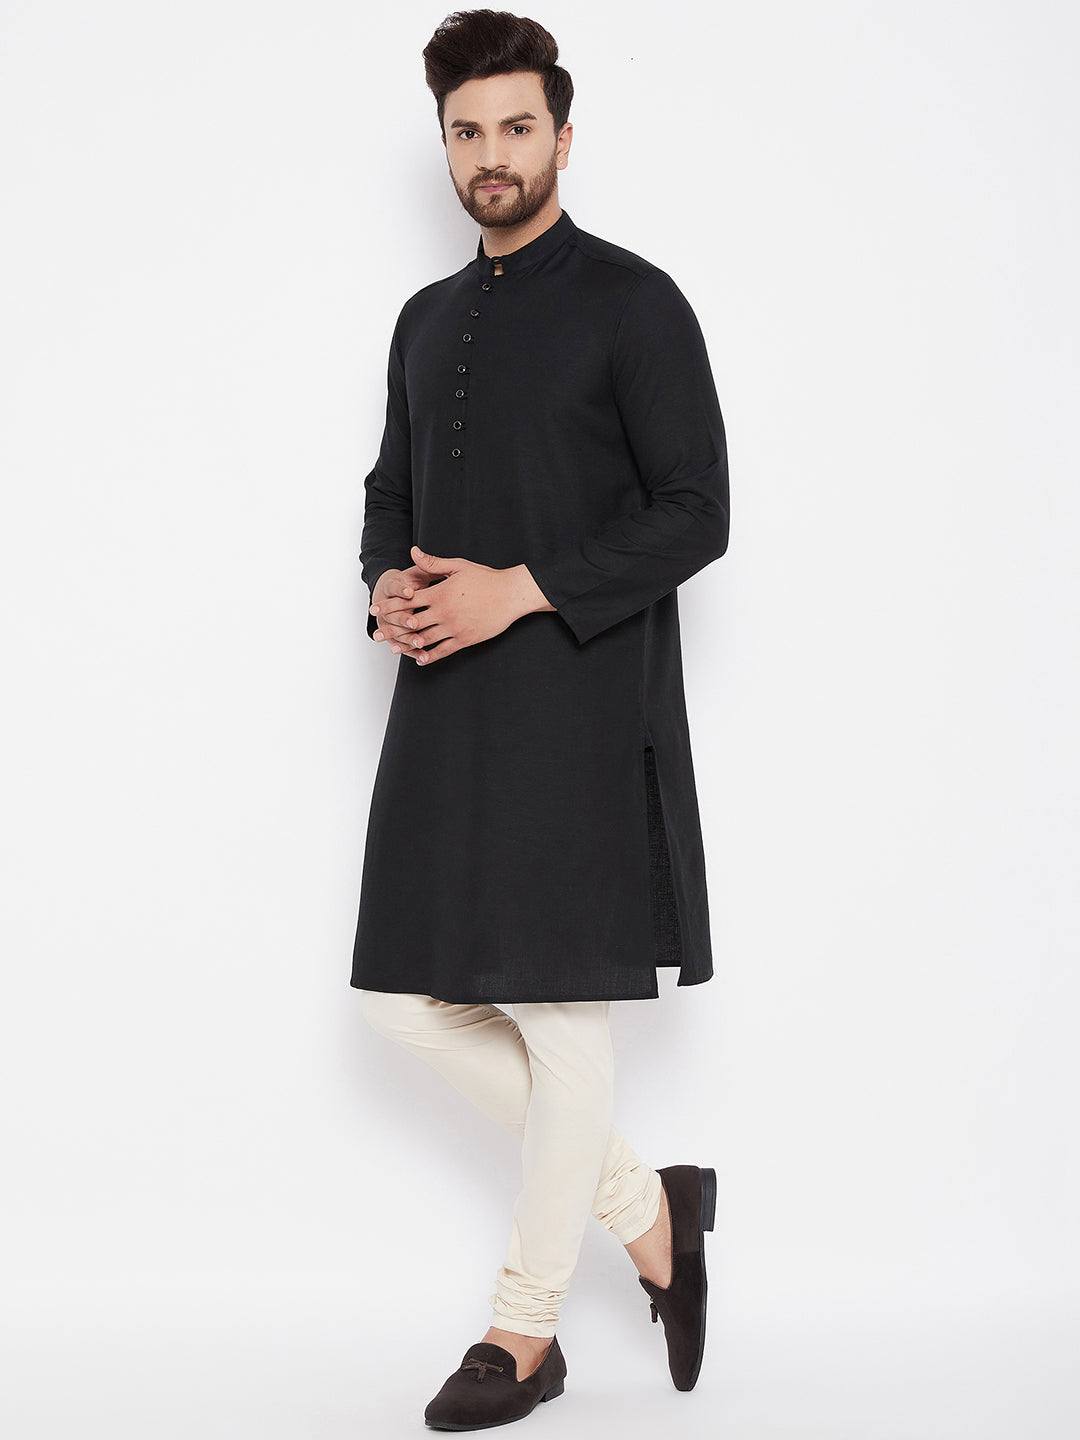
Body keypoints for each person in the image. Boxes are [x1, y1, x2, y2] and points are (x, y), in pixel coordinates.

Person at [352, 10, 729, 1428]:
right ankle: (653, 1212)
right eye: (467, 131)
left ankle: (525, 1333)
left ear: (564, 136)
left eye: (517, 127)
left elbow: (698, 512)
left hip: (581, 706)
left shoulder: (636, 303)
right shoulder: (424, 318)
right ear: (446, 145)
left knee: (565, 1025)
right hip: (447, 705)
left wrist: (518, 589)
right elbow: (390, 488)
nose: (491, 155)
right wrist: (385, 583)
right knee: (403, 1001)